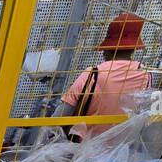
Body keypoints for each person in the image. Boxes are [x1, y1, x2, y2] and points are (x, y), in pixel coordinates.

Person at [55, 13, 151, 141]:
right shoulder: (146, 75)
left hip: (83, 150)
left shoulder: (93, 73)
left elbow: (62, 114)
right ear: (133, 49)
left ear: (107, 49)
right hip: (121, 150)